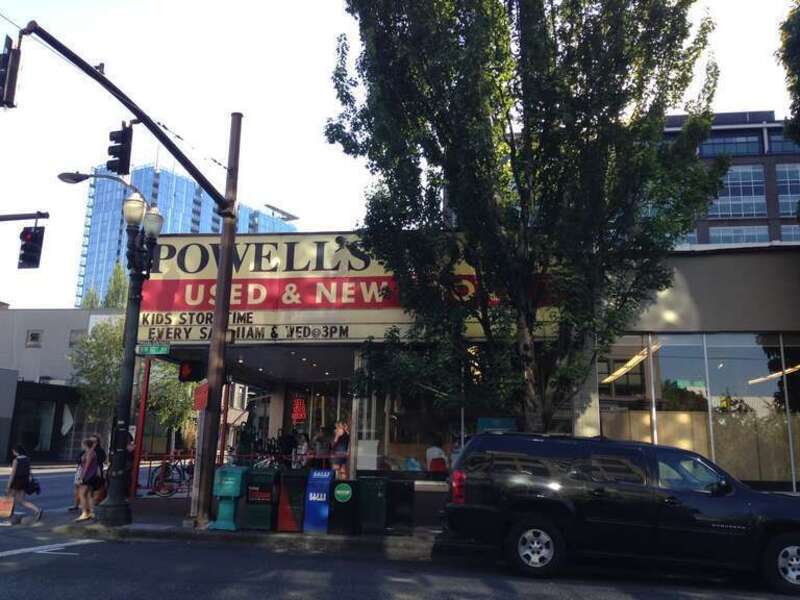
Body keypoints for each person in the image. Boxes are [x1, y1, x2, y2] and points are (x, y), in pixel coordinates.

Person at [5, 445, 42, 522]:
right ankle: (37, 510)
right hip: (24, 482)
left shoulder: (16, 460)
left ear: (16, 451)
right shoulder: (27, 459)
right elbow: (29, 472)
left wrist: (8, 486)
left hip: (16, 482)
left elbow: (13, 474)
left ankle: (9, 516)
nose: (13, 452)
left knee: (9, 498)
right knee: (21, 500)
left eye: (13, 451)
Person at [76, 438, 101, 522]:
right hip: (91, 475)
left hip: (88, 475)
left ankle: (84, 512)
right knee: (89, 494)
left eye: (82, 444)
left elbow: (87, 466)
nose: (81, 446)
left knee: (82, 494)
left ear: (85, 445)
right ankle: (91, 511)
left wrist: (82, 477)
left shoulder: (89, 453)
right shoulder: (91, 452)